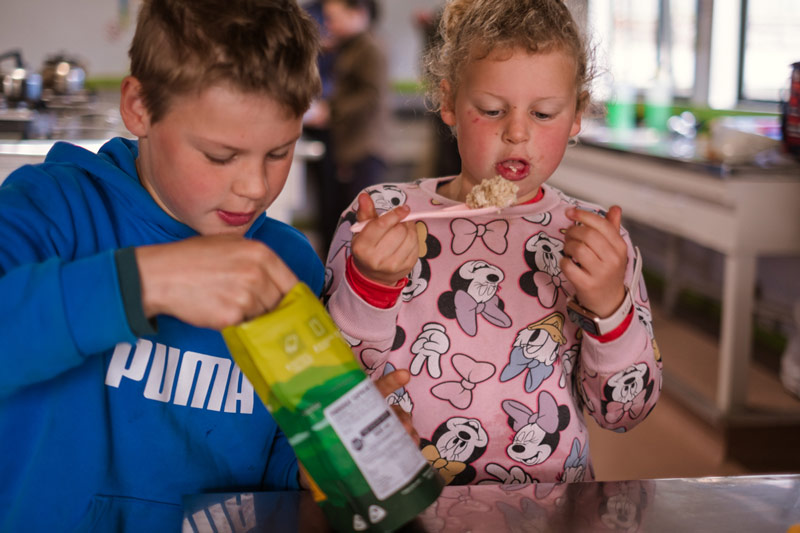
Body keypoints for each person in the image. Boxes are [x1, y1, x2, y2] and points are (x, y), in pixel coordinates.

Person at [0, 0, 411, 531]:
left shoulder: (286, 265)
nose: (255, 187)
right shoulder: (51, 210)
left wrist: (333, 460)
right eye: (221, 156)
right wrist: (144, 281)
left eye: (279, 152)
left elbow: (276, 459)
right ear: (140, 106)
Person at [323, 0, 663, 486]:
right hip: (403, 495)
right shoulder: (378, 217)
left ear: (577, 115)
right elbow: (335, 385)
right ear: (449, 103)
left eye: (544, 113)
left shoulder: (596, 242)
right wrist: (370, 286)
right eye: (491, 110)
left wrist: (610, 306)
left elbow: (625, 412)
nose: (518, 132)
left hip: (552, 507)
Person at [304, 0, 390, 247]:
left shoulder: (370, 48)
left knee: (356, 224)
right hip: (346, 147)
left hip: (362, 149)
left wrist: (330, 111)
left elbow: (370, 95)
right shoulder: (346, 46)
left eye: (334, 17)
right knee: (332, 220)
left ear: (359, 13)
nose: (329, 24)